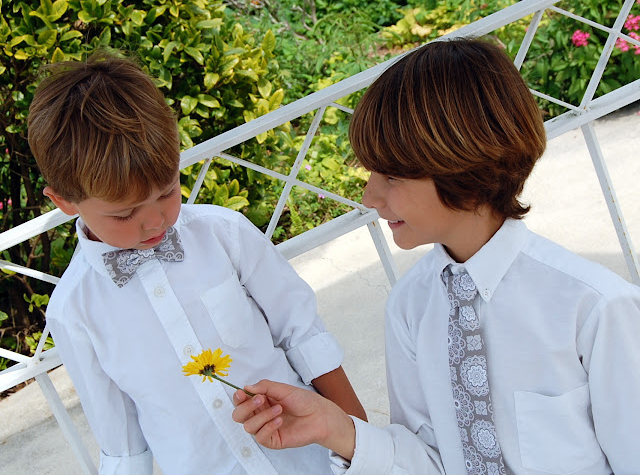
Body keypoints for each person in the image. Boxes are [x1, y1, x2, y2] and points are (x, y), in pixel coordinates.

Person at [232, 38, 640, 475]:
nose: (370, 196)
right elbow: (431, 459)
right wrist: (339, 430)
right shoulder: (411, 305)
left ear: (465, 165)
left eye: (392, 175)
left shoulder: (594, 307)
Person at [27, 51, 366, 475]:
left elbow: (304, 335)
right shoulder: (75, 311)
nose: (155, 221)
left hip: (311, 462)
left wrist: (364, 443)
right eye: (123, 214)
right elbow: (123, 445)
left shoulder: (224, 234)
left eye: (168, 191)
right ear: (64, 202)